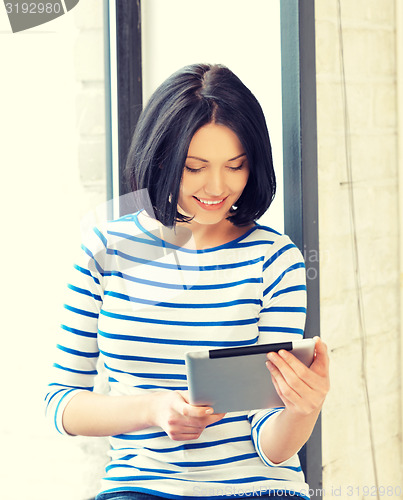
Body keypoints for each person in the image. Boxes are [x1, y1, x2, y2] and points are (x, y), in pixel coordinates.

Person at [45, 63, 329, 500]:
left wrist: (303, 410)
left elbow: (270, 446)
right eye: (195, 167)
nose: (218, 186)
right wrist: (153, 410)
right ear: (162, 157)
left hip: (257, 489)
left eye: (236, 166)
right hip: (141, 488)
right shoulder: (107, 249)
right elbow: (61, 403)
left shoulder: (275, 260)